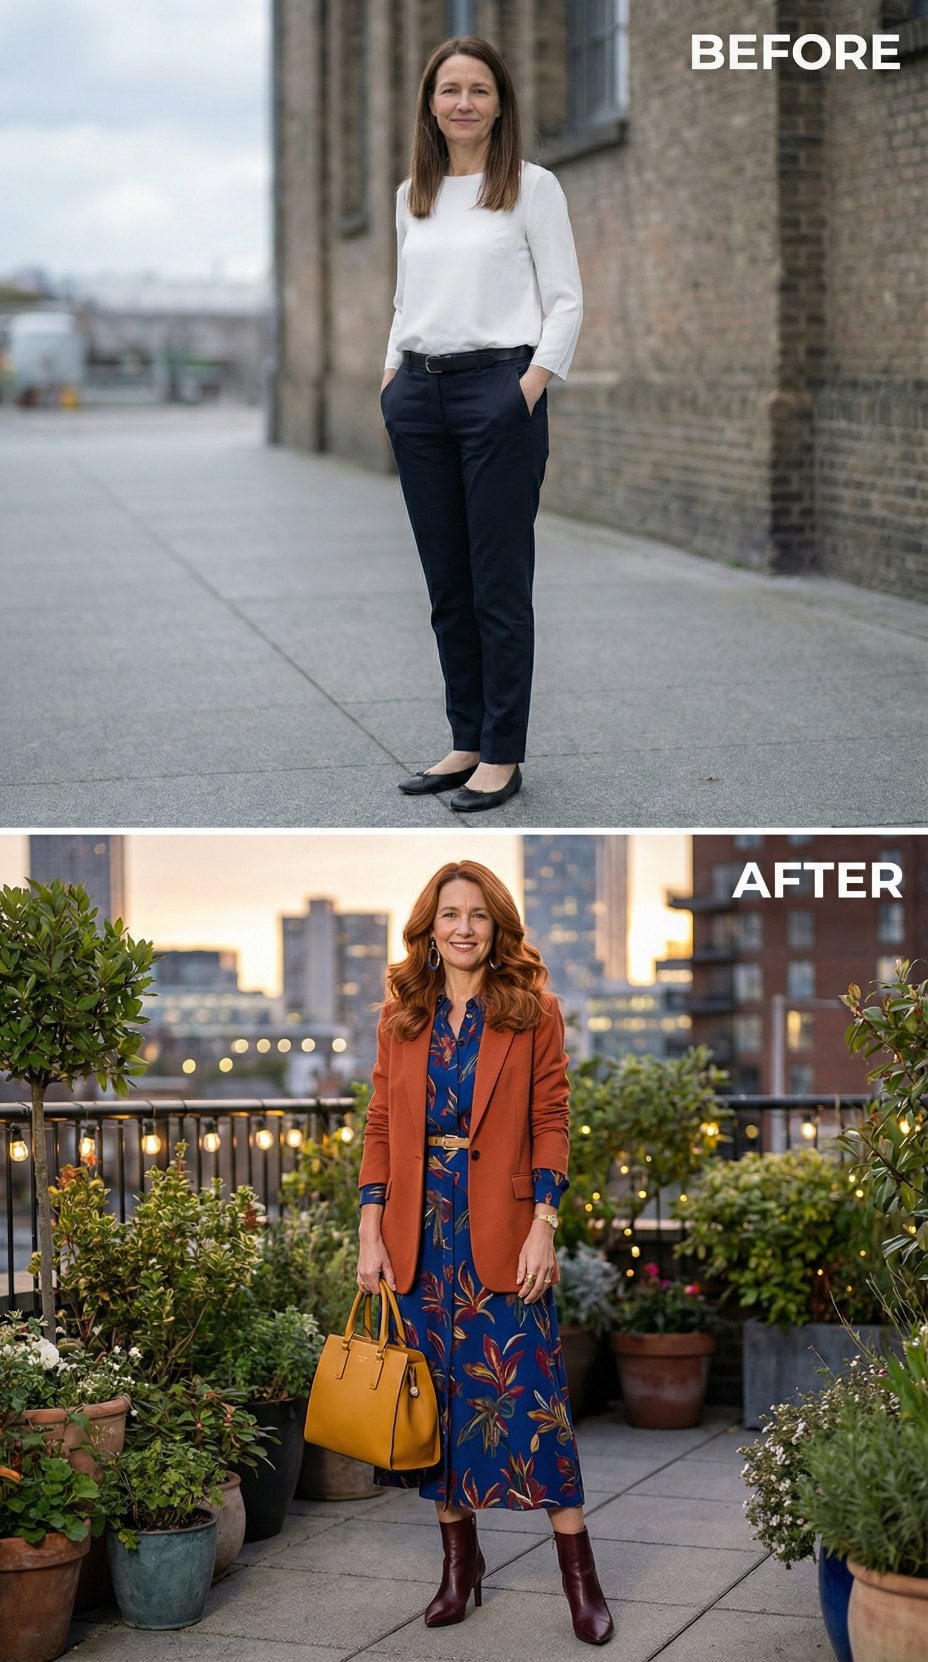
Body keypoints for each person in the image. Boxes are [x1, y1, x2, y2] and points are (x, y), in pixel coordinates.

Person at [356, 861, 613, 1646]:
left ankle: (582, 1582)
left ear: (498, 926)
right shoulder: (401, 1017)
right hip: (419, 1236)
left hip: (502, 1235)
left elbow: (552, 1118)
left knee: (536, 1406)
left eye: (477, 915)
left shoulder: (533, 1011)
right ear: (429, 929)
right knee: (438, 1408)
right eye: (448, 914)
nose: (462, 927)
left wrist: (546, 1221)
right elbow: (377, 1126)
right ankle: (458, 1573)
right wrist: (369, 1230)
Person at [381, 36, 583, 814]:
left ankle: (503, 754)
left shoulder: (533, 188)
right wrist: (391, 381)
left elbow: (565, 299)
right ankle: (464, 740)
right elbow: (405, 301)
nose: (463, 102)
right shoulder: (412, 196)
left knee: (498, 586)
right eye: (448, 89)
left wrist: (528, 387)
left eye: (479, 90)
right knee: (446, 586)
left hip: (500, 390)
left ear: (501, 104)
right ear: (430, 104)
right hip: (420, 398)